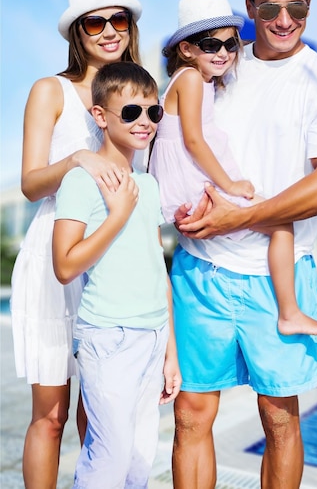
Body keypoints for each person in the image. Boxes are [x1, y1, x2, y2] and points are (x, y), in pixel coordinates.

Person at [170, 0, 317, 489]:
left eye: (297, 8)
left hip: (277, 276)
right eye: (271, 7)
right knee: (189, 417)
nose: (284, 20)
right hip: (200, 271)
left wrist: (236, 217)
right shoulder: (220, 64)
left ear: (309, 6)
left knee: (278, 420)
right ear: (248, 6)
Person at [10, 0, 143, 489]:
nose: (109, 31)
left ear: (131, 27)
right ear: (77, 31)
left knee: (104, 417)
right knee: (52, 414)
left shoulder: (136, 93)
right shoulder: (51, 90)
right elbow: (29, 183)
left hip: (114, 256)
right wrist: (78, 159)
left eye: (119, 20)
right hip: (55, 258)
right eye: (96, 21)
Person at [150, 0, 317, 337]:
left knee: (276, 223)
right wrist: (231, 185)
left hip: (191, 181)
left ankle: (287, 312)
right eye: (210, 45)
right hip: (193, 182)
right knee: (281, 224)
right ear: (187, 50)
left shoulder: (202, 80)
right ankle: (289, 312)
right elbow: (193, 140)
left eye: (230, 45)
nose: (222, 53)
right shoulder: (190, 80)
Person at [52, 61, 181, 488]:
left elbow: (156, 269)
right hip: (108, 338)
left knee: (140, 463)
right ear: (100, 116)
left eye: (152, 112)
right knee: (108, 460)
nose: (144, 122)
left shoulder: (147, 185)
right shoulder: (80, 182)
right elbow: (65, 265)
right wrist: (116, 216)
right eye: (131, 112)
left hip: (153, 335)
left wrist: (171, 352)